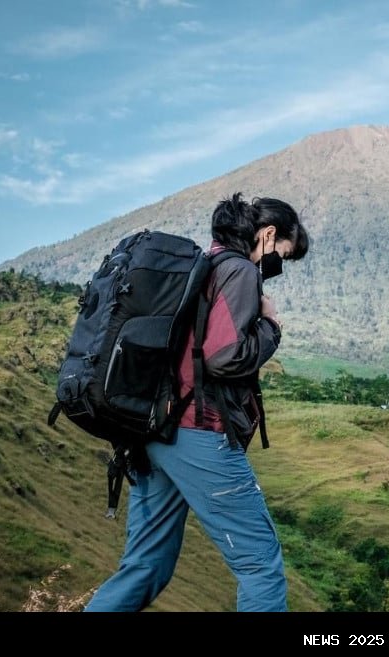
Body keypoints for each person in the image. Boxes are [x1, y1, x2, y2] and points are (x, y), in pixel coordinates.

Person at [84, 192, 309, 612]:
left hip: (154, 432)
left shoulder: (203, 265)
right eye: (281, 255)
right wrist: (272, 327)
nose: (276, 266)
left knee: (146, 565)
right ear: (269, 234)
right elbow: (224, 356)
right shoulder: (239, 271)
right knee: (260, 563)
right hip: (199, 433)